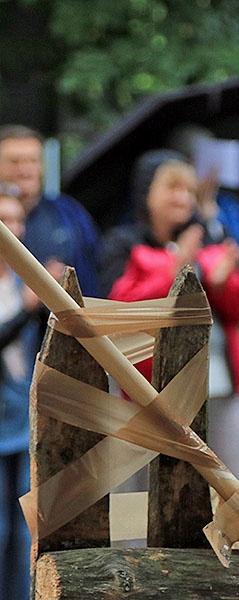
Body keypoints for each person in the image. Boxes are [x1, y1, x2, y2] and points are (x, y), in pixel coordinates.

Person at [100, 150, 239, 487]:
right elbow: (121, 309)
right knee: (150, 486)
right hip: (149, 391)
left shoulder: (211, 240)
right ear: (147, 194)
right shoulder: (123, 244)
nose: (182, 197)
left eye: (188, 189)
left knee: (229, 480)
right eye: (172, 187)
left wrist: (221, 282)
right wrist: (177, 267)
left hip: (220, 385)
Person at [0, 182, 61, 599]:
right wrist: (25, 309)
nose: (13, 229)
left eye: (19, 220)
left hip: (24, 413)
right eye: (4, 220)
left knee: (26, 524)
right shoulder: (20, 292)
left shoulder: (25, 275)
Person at [0, 125, 101, 297]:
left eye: (32, 161)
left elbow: (94, 271)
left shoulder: (69, 214)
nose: (24, 170)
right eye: (14, 162)